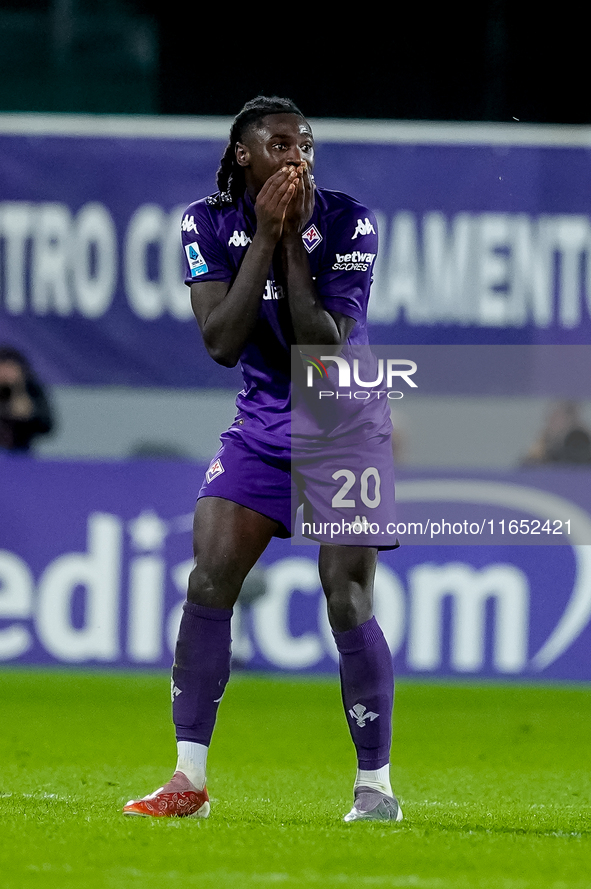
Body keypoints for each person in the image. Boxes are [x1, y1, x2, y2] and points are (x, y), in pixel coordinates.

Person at [123, 96, 402, 823]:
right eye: (280, 145)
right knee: (209, 578)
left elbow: (326, 345)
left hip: (344, 422)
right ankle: (188, 780)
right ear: (243, 155)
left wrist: (288, 244)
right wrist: (261, 239)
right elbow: (220, 340)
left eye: (305, 144)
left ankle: (374, 788)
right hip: (259, 427)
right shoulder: (205, 221)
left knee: (346, 597)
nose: (296, 157)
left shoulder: (349, 221)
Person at [0, 346, 54, 452]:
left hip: (21, 451)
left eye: (11, 368)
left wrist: (29, 415)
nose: (6, 373)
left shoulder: (31, 390)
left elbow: (46, 425)